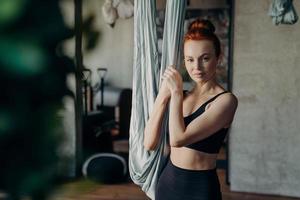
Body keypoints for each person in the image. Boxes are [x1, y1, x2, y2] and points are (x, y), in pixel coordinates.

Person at [143, 19, 238, 200]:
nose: (196, 67)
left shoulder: (226, 101)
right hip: (167, 183)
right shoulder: (181, 95)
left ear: (219, 58)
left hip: (200, 189)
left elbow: (178, 139)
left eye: (205, 58)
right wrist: (163, 97)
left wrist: (176, 93)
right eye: (190, 59)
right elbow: (149, 143)